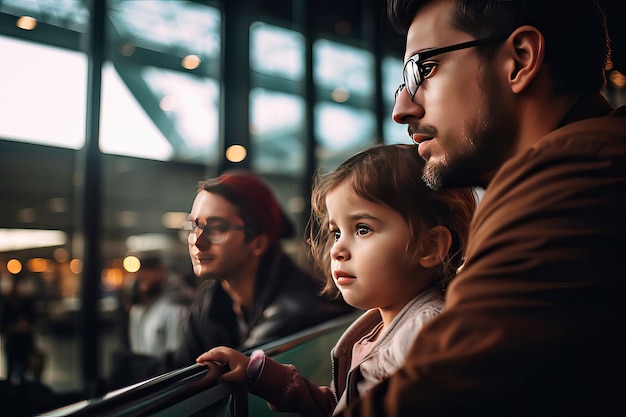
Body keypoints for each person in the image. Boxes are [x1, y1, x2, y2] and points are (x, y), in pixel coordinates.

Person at [336, 1, 626, 416]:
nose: (402, 109)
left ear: (520, 60)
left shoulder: (575, 176)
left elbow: (438, 393)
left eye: (424, 70)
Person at [196, 145, 476, 416]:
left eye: (363, 229)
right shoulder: (384, 327)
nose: (337, 250)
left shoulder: (423, 335)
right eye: (337, 232)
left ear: (429, 247)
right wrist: (264, 375)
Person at [173, 170, 353, 368]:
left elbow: (237, 381)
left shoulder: (297, 312)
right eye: (194, 226)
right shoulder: (209, 299)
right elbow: (183, 366)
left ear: (257, 243)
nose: (197, 241)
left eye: (216, 228)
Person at [109, 254, 192, 388]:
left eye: (146, 276)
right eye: (140, 279)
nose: (142, 284)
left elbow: (177, 359)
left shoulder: (175, 309)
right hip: (141, 382)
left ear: (160, 272)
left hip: (162, 384)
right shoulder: (137, 309)